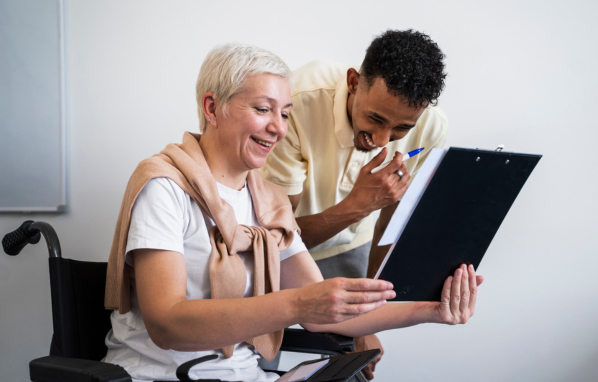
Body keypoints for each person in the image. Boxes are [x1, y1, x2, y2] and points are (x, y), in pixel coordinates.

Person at [102, 43, 482, 382]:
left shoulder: (269, 203)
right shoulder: (163, 187)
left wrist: (434, 309)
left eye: (284, 114)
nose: (278, 129)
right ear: (212, 107)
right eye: (263, 109)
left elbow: (321, 313)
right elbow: (167, 324)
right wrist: (297, 303)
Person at [262, 30, 449, 379]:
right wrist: (360, 204)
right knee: (260, 353)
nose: (381, 141)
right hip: (285, 248)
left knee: (352, 364)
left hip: (353, 249)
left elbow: (390, 224)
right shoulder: (297, 102)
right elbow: (274, 241)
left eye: (400, 130)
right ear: (353, 82)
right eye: (376, 119)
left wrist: (368, 316)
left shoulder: (432, 129)